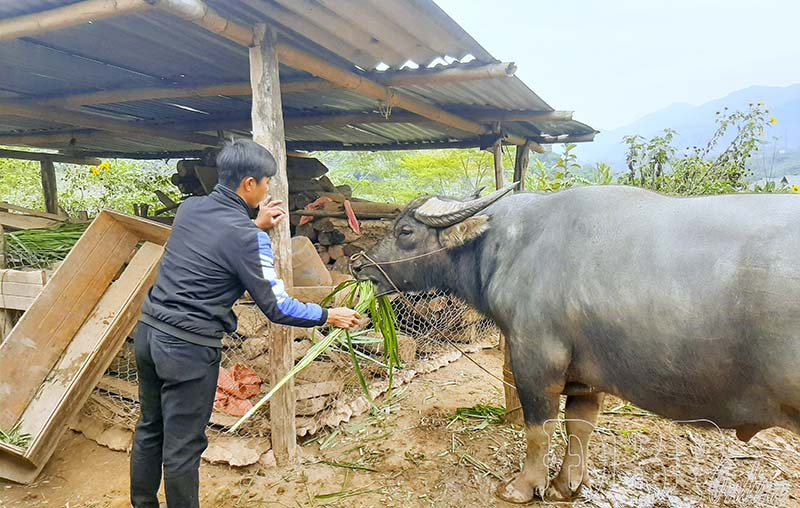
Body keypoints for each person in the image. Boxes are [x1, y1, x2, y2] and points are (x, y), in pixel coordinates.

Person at [129, 139, 361, 507]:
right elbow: (277, 307)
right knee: (183, 449)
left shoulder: (190, 209)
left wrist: (254, 224)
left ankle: (142, 503)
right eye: (267, 182)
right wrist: (328, 314)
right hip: (188, 349)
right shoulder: (249, 238)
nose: (269, 189)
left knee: (150, 428)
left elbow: (217, 240)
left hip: (149, 333)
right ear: (249, 184)